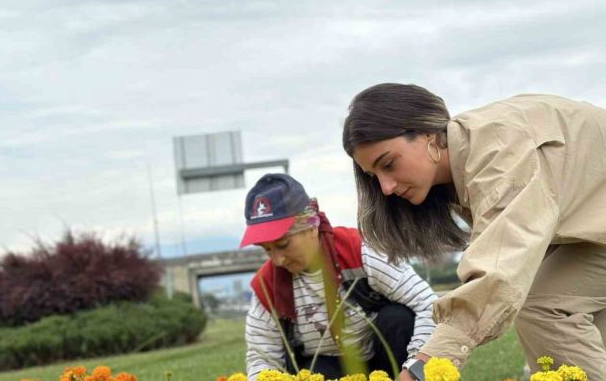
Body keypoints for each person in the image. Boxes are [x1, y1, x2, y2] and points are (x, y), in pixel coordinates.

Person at [342, 83, 606, 380]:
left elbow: (498, 274)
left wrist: (425, 366)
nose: (386, 188)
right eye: (373, 176)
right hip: (591, 230)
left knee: (546, 306)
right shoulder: (465, 165)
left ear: (428, 133)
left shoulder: (499, 153)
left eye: (389, 164)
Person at [242, 173, 437, 381]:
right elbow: (261, 357)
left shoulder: (359, 251)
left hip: (386, 362)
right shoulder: (266, 286)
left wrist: (415, 368)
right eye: (267, 249)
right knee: (317, 370)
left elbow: (429, 305)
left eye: (283, 244)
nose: (278, 259)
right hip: (327, 369)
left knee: (397, 319)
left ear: (311, 225)